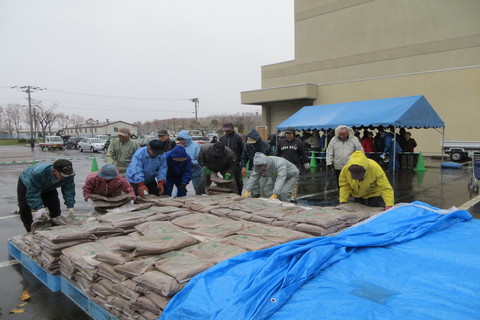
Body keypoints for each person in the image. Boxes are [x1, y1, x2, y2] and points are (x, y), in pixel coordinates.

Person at [17, 159, 76, 232]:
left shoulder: (68, 175)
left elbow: (69, 190)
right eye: (63, 175)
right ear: (54, 171)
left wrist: (70, 206)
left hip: (49, 186)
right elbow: (33, 193)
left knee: (54, 205)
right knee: (24, 207)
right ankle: (30, 230)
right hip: (28, 184)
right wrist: (39, 207)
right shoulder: (38, 174)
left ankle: (55, 227)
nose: (65, 177)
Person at [240, 129, 272, 197]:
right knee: (253, 185)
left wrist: (267, 169)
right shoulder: (247, 146)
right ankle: (255, 197)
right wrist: (243, 166)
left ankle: (266, 198)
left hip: (265, 168)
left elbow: (271, 157)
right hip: (253, 167)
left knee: (264, 186)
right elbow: (244, 157)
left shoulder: (265, 145)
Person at [219, 122, 244, 195]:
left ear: (232, 128)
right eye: (225, 130)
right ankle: (229, 195)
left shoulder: (238, 137)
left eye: (228, 130)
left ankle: (238, 195)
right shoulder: (222, 138)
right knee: (227, 181)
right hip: (225, 164)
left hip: (236, 163)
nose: (227, 131)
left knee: (238, 181)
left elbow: (243, 151)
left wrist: (242, 164)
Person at [176, 130, 202, 195]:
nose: (181, 141)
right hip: (185, 171)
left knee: (197, 188)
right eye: (180, 140)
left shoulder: (196, 146)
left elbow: (200, 160)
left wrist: (191, 162)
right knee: (181, 186)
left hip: (196, 171)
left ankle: (200, 200)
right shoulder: (180, 147)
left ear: (187, 139)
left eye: (182, 139)